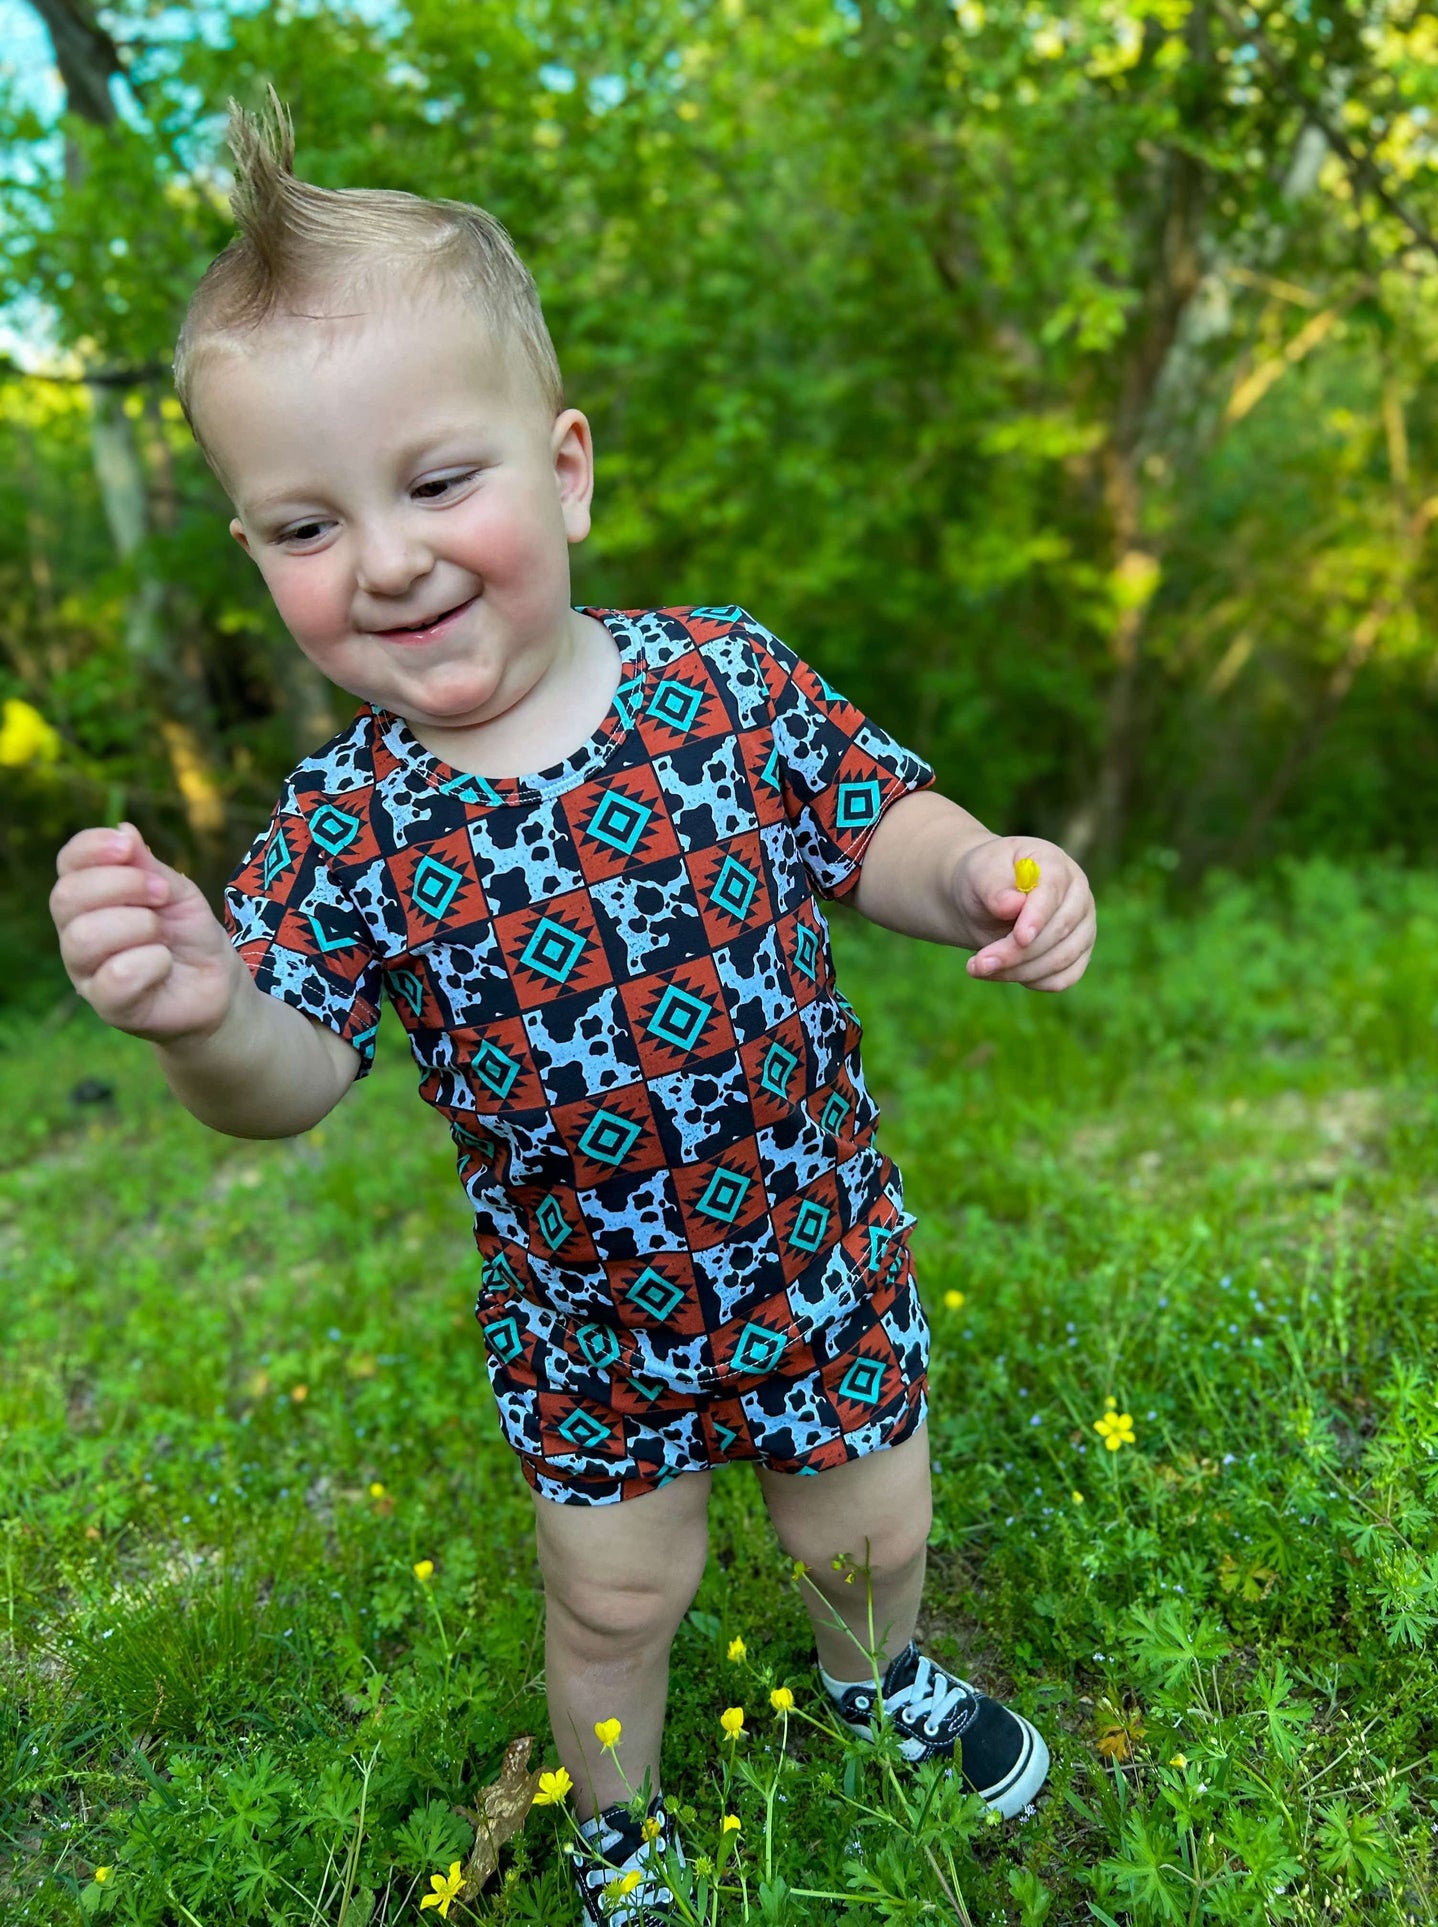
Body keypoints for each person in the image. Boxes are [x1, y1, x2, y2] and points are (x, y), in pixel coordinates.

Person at [49, 91, 1096, 1926]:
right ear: (257, 553)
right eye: (307, 524)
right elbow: (286, 1083)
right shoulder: (353, 820)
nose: (383, 559)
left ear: (566, 471)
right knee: (614, 1596)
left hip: (812, 1247)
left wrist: (990, 867)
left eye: (437, 484)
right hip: (586, 1312)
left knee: (872, 1528)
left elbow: (877, 828)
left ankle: (876, 1688)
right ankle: (619, 1822)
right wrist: (205, 1011)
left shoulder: (723, 681)